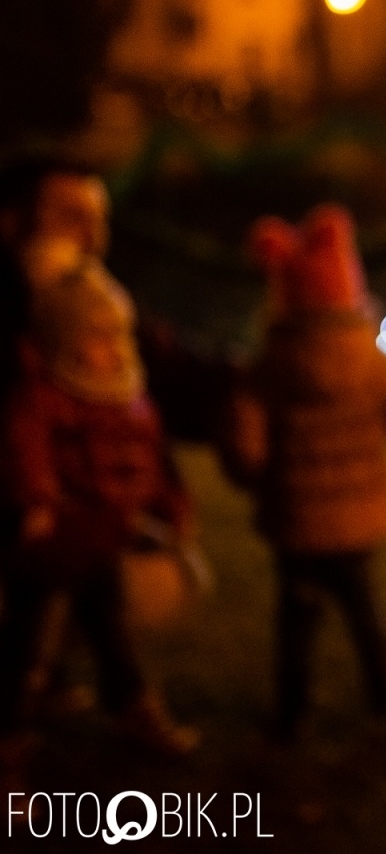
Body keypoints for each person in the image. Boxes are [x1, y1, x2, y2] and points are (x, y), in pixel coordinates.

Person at [0, 167, 201, 780]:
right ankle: (13, 732)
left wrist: (164, 494)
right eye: (69, 216)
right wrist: (34, 496)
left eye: (97, 216)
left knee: (105, 617)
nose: (88, 234)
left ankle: (128, 702)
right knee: (27, 636)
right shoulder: (24, 326)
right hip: (51, 524)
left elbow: (141, 425)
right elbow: (25, 431)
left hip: (98, 521)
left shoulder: (104, 311)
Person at [223, 204, 386, 742]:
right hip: (360, 518)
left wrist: (254, 477)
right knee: (364, 606)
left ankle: (291, 712)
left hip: (297, 521)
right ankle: (383, 693)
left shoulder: (269, 366)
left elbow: (245, 447)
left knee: (296, 619)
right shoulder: (376, 362)